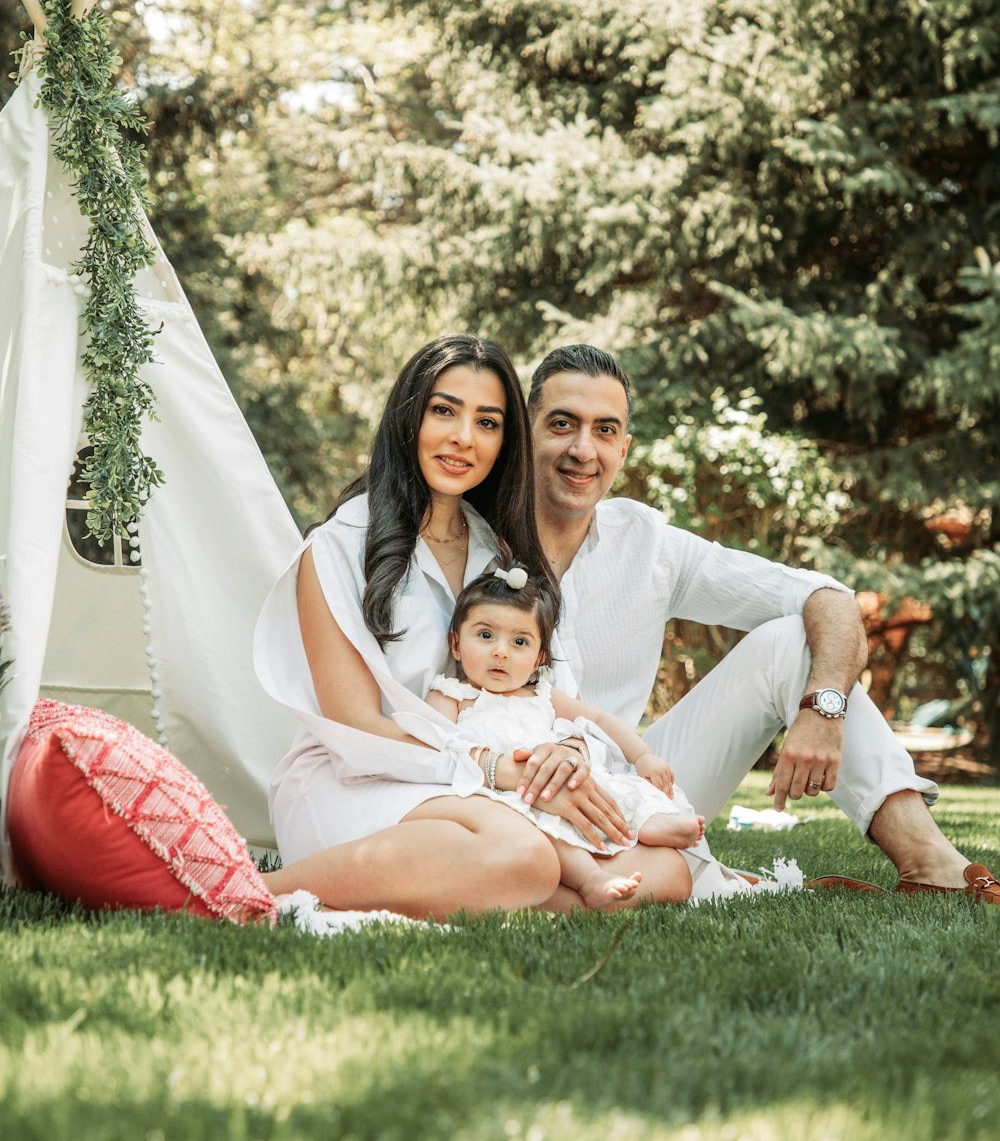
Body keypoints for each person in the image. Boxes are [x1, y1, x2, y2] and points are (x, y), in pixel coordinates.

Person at [524, 343, 1000, 904]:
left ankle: (931, 864)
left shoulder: (649, 545)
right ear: (524, 434)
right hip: (524, 804)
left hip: (640, 787)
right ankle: (687, 876)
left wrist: (824, 707)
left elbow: (829, 598)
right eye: (562, 424)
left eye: (605, 430)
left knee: (792, 639)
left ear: (623, 449)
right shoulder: (462, 546)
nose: (583, 448)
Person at [255, 335, 661, 920]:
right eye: (444, 411)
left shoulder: (506, 554)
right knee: (525, 855)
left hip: (487, 789)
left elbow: (556, 691)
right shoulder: (337, 548)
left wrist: (567, 752)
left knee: (664, 870)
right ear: (408, 418)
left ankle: (493, 887)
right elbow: (356, 726)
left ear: (505, 442)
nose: (464, 438)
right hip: (357, 782)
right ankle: (246, 892)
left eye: (488, 422)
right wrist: (491, 767)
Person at [426, 560, 729, 911]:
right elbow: (439, 747)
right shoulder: (454, 695)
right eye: (485, 636)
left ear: (540, 656)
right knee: (536, 822)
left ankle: (647, 824)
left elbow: (598, 717)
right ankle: (591, 880)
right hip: (514, 792)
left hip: (569, 780)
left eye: (519, 641)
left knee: (619, 789)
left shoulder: (541, 693)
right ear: (456, 644)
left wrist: (641, 754)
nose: (501, 651)